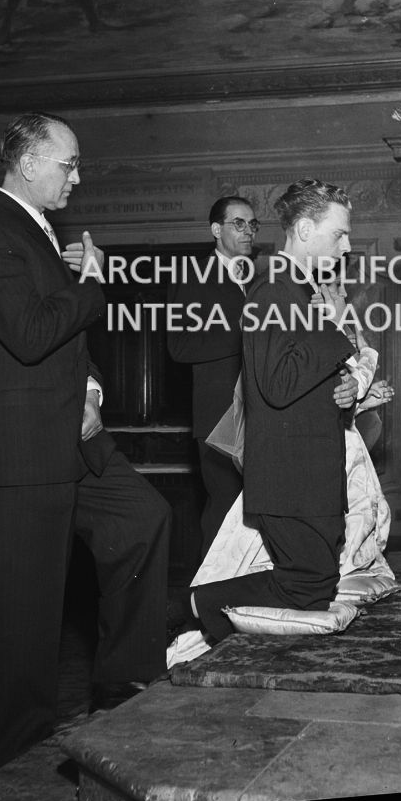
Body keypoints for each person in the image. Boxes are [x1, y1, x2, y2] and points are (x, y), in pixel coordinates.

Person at [0, 112, 171, 770]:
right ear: (27, 164)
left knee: (143, 519)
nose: (78, 177)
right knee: (22, 618)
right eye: (69, 164)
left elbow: (63, 343)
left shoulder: (38, 233)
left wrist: (92, 391)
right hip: (17, 452)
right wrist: (93, 284)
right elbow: (29, 334)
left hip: (68, 439)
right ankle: (16, 766)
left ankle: (123, 685)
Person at [179, 180, 360, 642]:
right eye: (339, 234)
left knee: (316, 583)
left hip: (310, 471)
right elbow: (277, 385)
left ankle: (202, 610)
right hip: (291, 475)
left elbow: (300, 370)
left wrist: (344, 385)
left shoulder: (298, 288)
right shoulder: (273, 289)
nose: (347, 246)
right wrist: (334, 326)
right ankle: (193, 606)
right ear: (305, 230)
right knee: (307, 583)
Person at [166, 196, 257, 559]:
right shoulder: (191, 275)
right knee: (224, 511)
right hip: (217, 416)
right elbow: (179, 346)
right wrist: (243, 330)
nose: (248, 231)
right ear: (216, 230)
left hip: (256, 413)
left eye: (252, 225)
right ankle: (206, 591)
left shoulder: (256, 278)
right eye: (239, 224)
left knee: (251, 514)